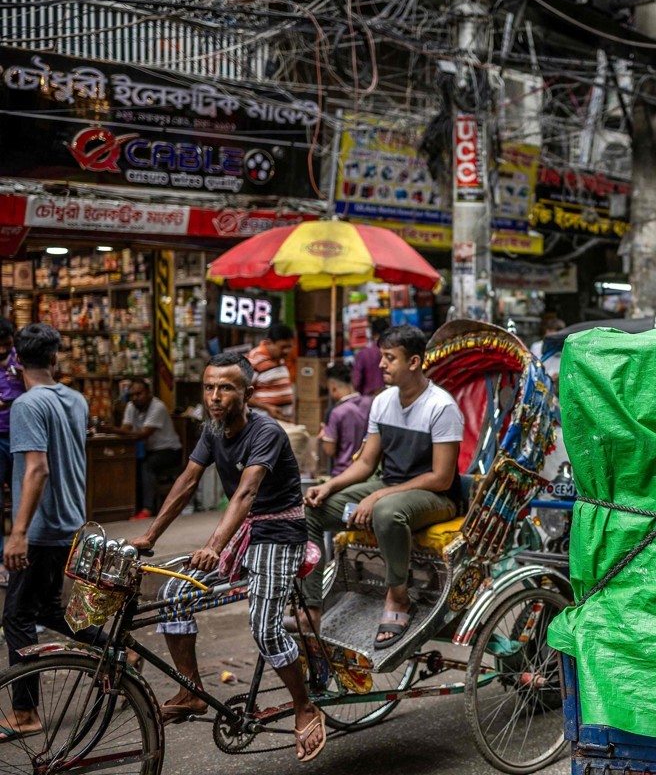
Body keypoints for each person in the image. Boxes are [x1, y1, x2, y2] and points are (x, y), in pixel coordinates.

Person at [127, 353, 326, 762]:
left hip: (278, 532)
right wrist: (149, 536)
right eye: (209, 387)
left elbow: (246, 493)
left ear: (248, 393)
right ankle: (191, 691)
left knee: (264, 628)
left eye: (226, 388)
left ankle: (306, 708)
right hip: (246, 528)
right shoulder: (212, 429)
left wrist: (214, 546)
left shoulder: (266, 432)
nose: (215, 397)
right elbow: (187, 481)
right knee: (173, 594)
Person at [302, 325, 463, 648]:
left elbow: (442, 477)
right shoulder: (383, 401)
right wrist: (329, 486)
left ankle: (398, 596)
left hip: (437, 496)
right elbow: (365, 464)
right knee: (310, 510)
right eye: (382, 357)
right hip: (389, 484)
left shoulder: (441, 406)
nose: (381, 365)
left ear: (414, 362)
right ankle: (313, 607)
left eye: (390, 358)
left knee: (386, 511)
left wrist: (377, 495)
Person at [1, 324, 93, 736]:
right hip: (71, 522)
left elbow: (37, 469)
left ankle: (25, 712)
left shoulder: (26, 405)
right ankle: (118, 651)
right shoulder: (76, 399)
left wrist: (17, 532)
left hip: (40, 530)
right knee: (49, 608)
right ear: (55, 358)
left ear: (16, 360)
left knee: (17, 615)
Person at [101, 379, 183, 519]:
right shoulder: (131, 406)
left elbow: (144, 434)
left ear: (149, 393)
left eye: (139, 394)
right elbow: (126, 429)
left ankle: (148, 509)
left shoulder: (158, 407)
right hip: (150, 450)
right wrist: (115, 431)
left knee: (147, 466)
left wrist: (114, 429)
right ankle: (130, 506)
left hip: (169, 450)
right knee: (130, 465)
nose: (135, 398)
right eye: (132, 395)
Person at [0, 318, 24, 584]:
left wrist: (22, 375)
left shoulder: (20, 358)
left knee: (22, 496)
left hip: (20, 434)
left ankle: (21, 552)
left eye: (7, 345)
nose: (5, 350)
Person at [320, 362, 372, 477]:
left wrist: (325, 434)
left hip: (343, 474)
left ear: (333, 387)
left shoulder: (335, 412)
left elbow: (330, 450)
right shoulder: (370, 402)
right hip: (367, 472)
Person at [247, 323, 296, 421]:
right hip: (263, 421)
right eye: (283, 347)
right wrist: (268, 407)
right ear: (269, 343)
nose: (286, 351)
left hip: (282, 419)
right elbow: (242, 394)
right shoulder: (254, 360)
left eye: (289, 347)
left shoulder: (279, 358)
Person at [351, 318, 390, 397]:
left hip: (369, 398)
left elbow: (356, 382)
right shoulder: (394, 353)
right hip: (389, 396)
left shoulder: (363, 354)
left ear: (372, 333)